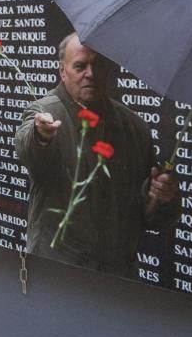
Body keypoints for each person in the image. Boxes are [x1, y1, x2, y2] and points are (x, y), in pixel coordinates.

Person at [15, 32, 178, 278]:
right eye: (80, 66)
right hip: (59, 272)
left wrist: (162, 197)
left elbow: (150, 217)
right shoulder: (45, 111)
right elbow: (28, 149)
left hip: (119, 277)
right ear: (62, 72)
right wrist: (40, 135)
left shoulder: (135, 128)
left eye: (98, 65)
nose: (90, 73)